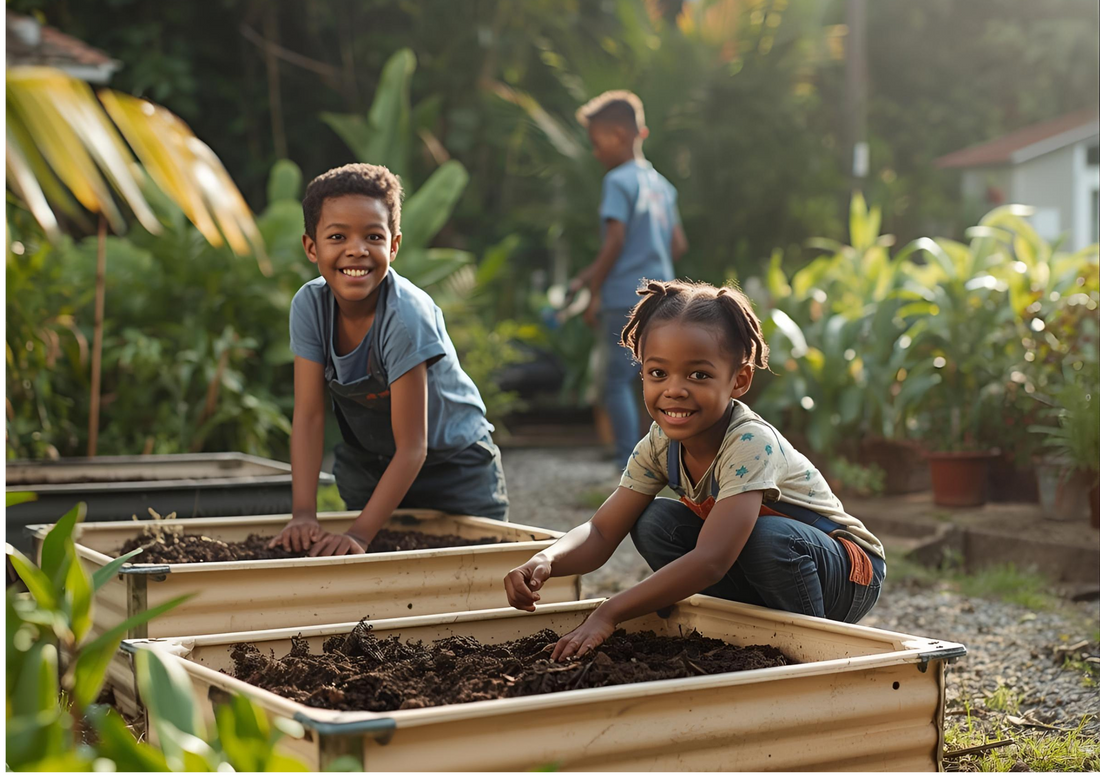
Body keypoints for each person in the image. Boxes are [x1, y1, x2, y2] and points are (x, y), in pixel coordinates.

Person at [504, 280, 886, 661]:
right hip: (768, 563)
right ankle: (737, 627)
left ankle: (811, 649)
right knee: (653, 520)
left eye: (698, 375)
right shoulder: (660, 443)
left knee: (768, 536)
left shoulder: (750, 442)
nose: (675, 390)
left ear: (739, 380)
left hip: (847, 573)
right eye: (658, 373)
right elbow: (603, 530)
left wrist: (610, 612)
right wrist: (547, 560)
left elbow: (712, 559)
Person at [270, 163, 508, 557]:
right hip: (371, 463)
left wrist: (360, 534)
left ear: (393, 246)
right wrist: (303, 514)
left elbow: (414, 446)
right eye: (337, 236)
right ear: (312, 247)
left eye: (373, 236)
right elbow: (309, 416)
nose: (356, 249)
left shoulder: (405, 316)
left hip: (454, 468)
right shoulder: (310, 305)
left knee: (468, 580)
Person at [569, 90, 688, 468]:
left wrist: (594, 290)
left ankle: (629, 466)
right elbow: (678, 244)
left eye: (596, 141)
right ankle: (666, 465)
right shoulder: (662, 186)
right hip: (664, 297)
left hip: (624, 296)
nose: (595, 151)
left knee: (618, 381)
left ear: (618, 134)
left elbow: (616, 241)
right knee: (655, 378)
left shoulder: (617, 181)